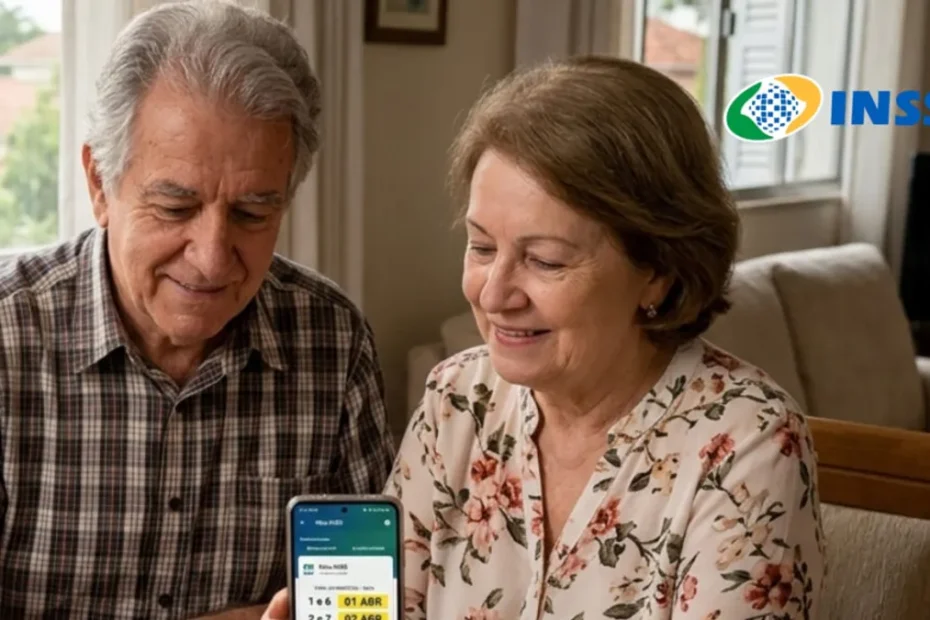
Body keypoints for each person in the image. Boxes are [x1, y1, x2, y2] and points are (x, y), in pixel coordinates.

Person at [383, 56, 824, 619]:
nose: (494, 295)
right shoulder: (457, 398)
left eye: (544, 260)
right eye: (482, 247)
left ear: (658, 269)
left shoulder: (749, 444)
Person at [0, 1, 395, 618]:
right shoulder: (6, 336)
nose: (212, 259)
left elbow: (358, 607)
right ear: (100, 184)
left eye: (252, 213)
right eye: (175, 207)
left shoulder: (334, 341)